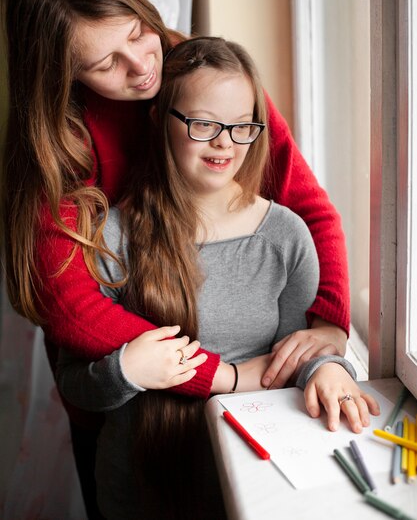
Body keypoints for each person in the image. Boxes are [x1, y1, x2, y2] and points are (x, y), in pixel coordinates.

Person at [1, 0, 349, 517]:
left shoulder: (201, 77)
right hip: (121, 386)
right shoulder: (60, 146)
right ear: (63, 77)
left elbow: (307, 204)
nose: (142, 66)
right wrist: (221, 374)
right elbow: (71, 305)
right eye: (106, 63)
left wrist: (331, 325)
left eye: (139, 32)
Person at [56, 36, 380, 520]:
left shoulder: (286, 236)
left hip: (254, 484)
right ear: (159, 122)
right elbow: (76, 383)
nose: (225, 142)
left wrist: (330, 368)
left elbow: (293, 357)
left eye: (241, 126)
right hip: (141, 490)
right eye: (204, 124)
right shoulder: (113, 238)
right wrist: (127, 370)